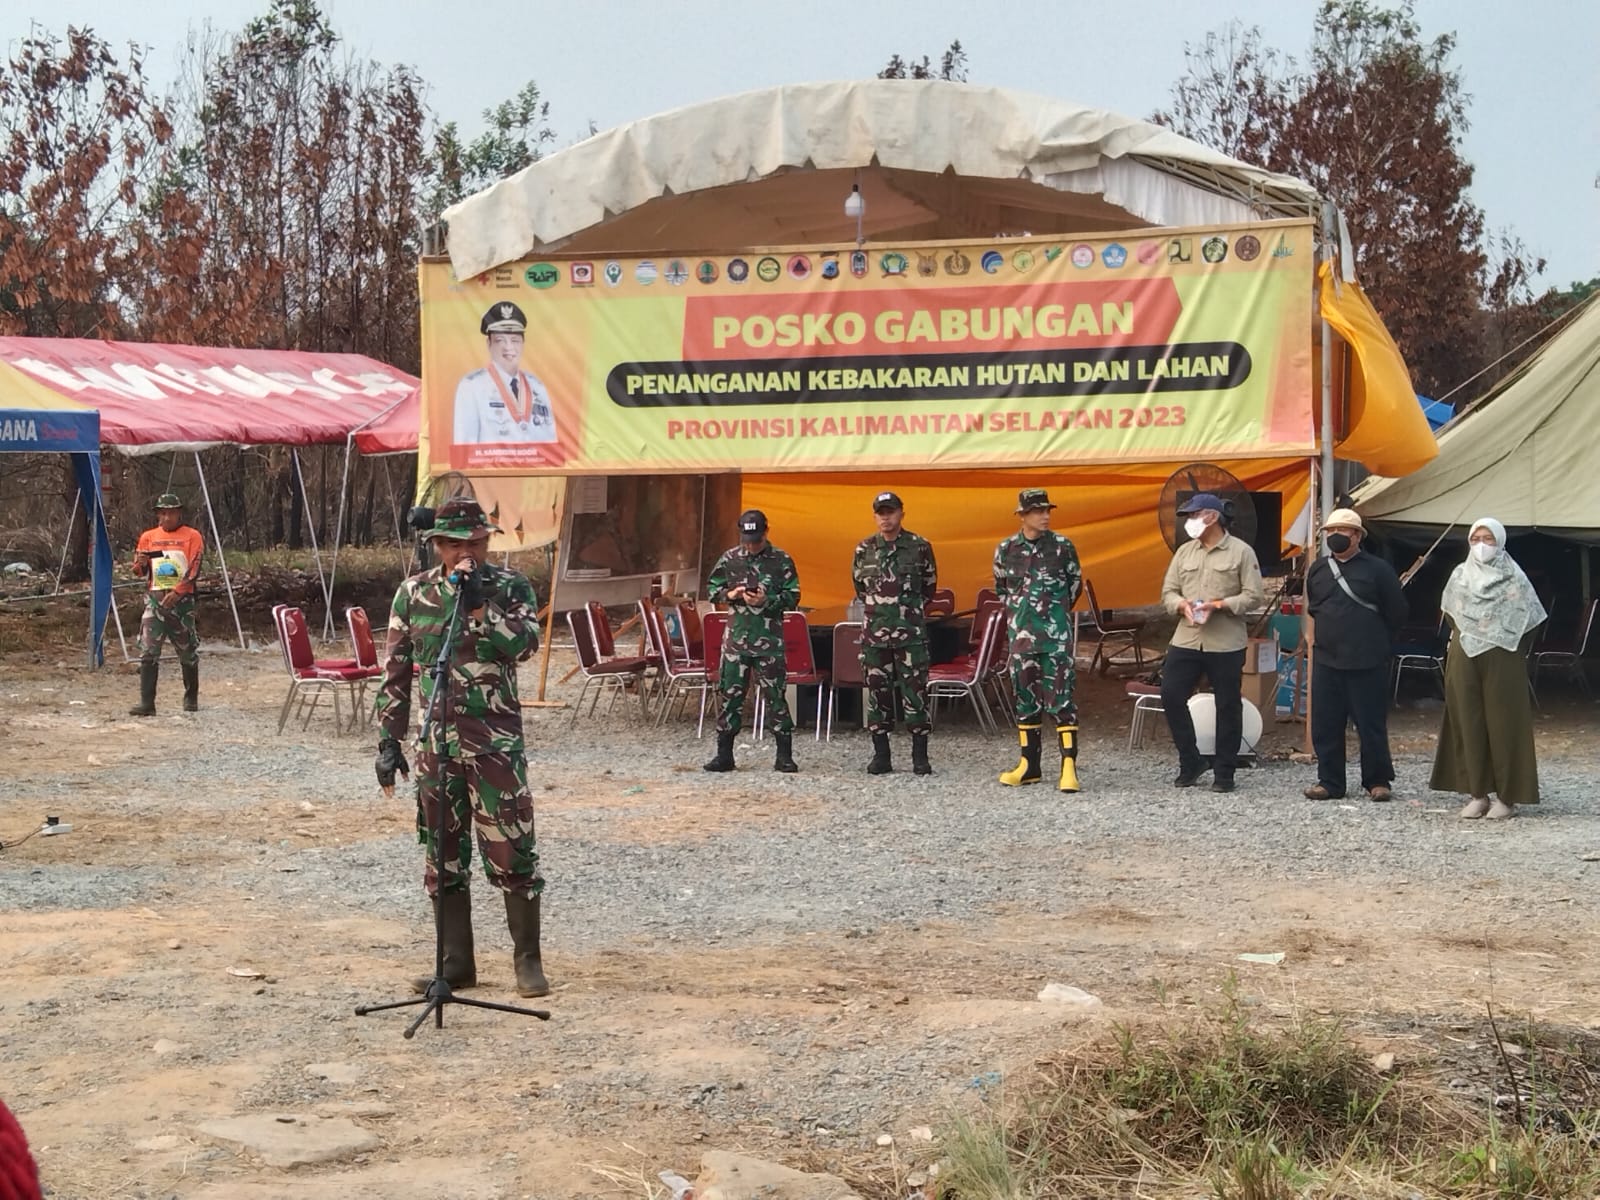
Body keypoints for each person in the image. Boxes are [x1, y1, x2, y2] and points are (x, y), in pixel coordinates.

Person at [372, 498, 550, 998]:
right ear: (437, 546)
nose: (465, 552)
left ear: (487, 542)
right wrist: (390, 739)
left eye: (474, 543)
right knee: (442, 853)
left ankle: (527, 960)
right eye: (454, 544)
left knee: (512, 848)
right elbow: (397, 671)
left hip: (494, 745)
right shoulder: (414, 593)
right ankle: (455, 964)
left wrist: (477, 607)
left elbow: (523, 646)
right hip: (437, 746)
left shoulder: (509, 587)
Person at [1431, 517, 1546, 820]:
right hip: (1464, 652)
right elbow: (1450, 614)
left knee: (1504, 722)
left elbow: (1531, 620)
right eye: (1476, 538)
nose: (1482, 545)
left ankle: (1508, 797)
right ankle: (1477, 793)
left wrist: (1503, 639)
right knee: (1467, 720)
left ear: (1500, 541)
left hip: (1503, 654)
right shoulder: (1460, 575)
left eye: (1489, 538)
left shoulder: (1514, 578)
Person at [1159, 493, 1267, 792]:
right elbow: (1167, 592)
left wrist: (1218, 605)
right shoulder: (1184, 553)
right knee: (1170, 694)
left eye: (1195, 515)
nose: (1190, 522)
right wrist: (1182, 605)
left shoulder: (1241, 552)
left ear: (1212, 516)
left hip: (1226, 640)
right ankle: (1191, 760)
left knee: (1228, 705)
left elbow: (1254, 595)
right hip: (1187, 637)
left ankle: (1225, 771)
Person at [1302, 508, 1409, 801]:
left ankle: (1377, 781)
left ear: (1357, 535)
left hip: (1367, 659)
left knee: (1370, 723)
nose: (1335, 536)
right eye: (1330, 531)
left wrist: (1378, 643)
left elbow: (1397, 612)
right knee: (1326, 723)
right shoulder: (1318, 570)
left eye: (1342, 530)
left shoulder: (1378, 569)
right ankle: (1330, 781)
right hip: (1327, 658)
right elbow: (1315, 608)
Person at [993, 488, 1084, 791]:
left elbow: (1074, 587)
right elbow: (1002, 590)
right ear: (1022, 515)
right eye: (1037, 511)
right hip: (1021, 638)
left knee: (1062, 700)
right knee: (1025, 699)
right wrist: (1021, 618)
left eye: (1047, 510)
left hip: (1055, 637)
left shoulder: (1062, 547)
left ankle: (1068, 766)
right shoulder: (1006, 550)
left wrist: (1054, 616)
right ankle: (1028, 764)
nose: (1044, 516)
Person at [702, 509, 802, 774]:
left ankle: (784, 756)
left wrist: (766, 600)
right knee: (730, 697)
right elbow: (711, 589)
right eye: (747, 539)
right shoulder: (730, 558)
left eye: (756, 539)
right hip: (736, 642)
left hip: (769, 642)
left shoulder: (781, 560)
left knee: (776, 697)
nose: (751, 544)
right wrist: (731, 594)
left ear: (766, 532)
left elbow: (793, 596)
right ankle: (724, 755)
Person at [851, 491, 939, 775]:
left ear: (902, 513)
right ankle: (881, 755)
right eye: (880, 512)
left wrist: (906, 613)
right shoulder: (864, 549)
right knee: (878, 693)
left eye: (890, 511)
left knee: (915, 692)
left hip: (910, 635)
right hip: (875, 636)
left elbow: (929, 587)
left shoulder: (919, 546)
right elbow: (860, 589)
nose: (885, 517)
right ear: (874, 516)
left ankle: (920, 756)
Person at [128, 493, 204, 717]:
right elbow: (139, 570)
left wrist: (179, 591)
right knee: (149, 650)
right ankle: (146, 702)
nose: (166, 517)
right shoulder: (148, 537)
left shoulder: (192, 536)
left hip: (182, 602)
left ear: (179, 513)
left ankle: (191, 696)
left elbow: (195, 567)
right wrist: (139, 564)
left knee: (187, 649)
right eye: (162, 513)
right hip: (155, 598)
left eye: (170, 512)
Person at [452, 302, 559, 445]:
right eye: (500, 340)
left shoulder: (537, 386)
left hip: (534, 465)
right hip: (490, 465)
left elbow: (550, 443)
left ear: (523, 343)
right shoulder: (471, 386)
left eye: (515, 340)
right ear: (488, 343)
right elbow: (464, 445)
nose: (509, 348)